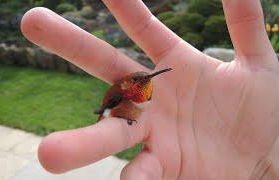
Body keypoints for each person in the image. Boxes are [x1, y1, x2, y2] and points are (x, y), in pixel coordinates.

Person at [21, 0, 279, 179]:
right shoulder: (124, 95)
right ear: (131, 87)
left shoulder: (145, 94)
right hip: (116, 112)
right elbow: (111, 107)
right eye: (142, 82)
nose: (150, 81)